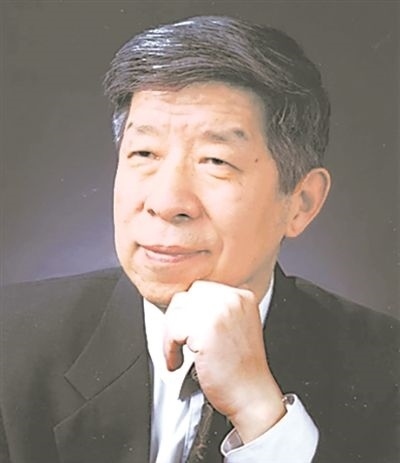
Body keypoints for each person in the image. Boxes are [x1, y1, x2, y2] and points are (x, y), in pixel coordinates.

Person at [1, 15, 398, 463]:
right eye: (144, 153)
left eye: (216, 161)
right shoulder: (10, 341)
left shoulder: (387, 370)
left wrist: (261, 414)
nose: (166, 202)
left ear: (301, 203)